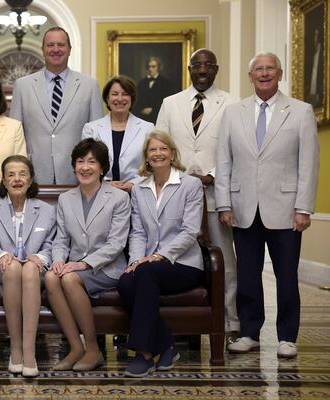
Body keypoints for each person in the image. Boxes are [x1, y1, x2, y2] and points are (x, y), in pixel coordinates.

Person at [216, 52, 320, 359]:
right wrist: (224, 203)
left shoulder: (300, 111)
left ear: (280, 73)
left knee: (286, 275)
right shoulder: (233, 113)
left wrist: (304, 208)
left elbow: (309, 164)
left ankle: (287, 336)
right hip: (243, 207)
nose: (264, 73)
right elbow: (224, 161)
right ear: (250, 77)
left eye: (269, 68)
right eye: (258, 69)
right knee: (247, 274)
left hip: (286, 209)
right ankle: (249, 333)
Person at [156, 48, 240, 343]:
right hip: (177, 194)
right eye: (197, 65)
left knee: (224, 261)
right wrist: (180, 175)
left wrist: (211, 175)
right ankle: (183, 325)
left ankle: (230, 323)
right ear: (189, 69)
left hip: (218, 194)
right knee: (178, 256)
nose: (202, 70)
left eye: (208, 65)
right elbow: (160, 145)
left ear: (216, 69)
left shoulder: (232, 104)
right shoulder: (171, 103)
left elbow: (235, 147)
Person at [117, 131, 204, 377]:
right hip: (147, 264)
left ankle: (143, 354)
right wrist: (134, 261)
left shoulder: (190, 185)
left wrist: (160, 256)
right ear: (146, 157)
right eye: (152, 150)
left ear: (173, 153)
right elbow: (137, 233)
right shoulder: (139, 189)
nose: (158, 153)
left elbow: (190, 231)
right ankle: (166, 344)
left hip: (183, 263)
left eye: (163, 148)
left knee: (145, 273)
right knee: (125, 282)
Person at [46, 138, 130, 371]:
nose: (85, 167)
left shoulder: (119, 198)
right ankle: (76, 348)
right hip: (74, 266)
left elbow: (116, 244)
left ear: (102, 168)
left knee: (70, 278)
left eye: (92, 162)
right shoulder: (66, 199)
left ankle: (93, 349)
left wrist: (82, 264)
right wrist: (59, 260)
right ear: (74, 166)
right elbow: (61, 239)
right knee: (52, 276)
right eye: (80, 161)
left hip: (108, 267)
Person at [0, 155, 56, 377]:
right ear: (4, 181)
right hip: (3, 268)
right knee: (14, 267)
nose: (17, 179)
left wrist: (42, 258)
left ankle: (29, 351)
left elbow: (53, 244)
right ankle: (16, 349)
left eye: (22, 174)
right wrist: (1, 255)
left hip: (35, 272)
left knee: (28, 268)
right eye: (11, 175)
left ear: (31, 179)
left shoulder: (45, 209)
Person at [10, 26, 103, 185]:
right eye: (50, 45)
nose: (56, 49)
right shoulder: (22, 86)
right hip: (33, 175)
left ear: (69, 49)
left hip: (78, 175)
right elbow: (14, 135)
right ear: (43, 49)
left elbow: (97, 136)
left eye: (61, 45)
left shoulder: (89, 85)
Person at [82, 75, 153, 192]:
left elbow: (152, 165)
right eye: (114, 94)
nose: (120, 99)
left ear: (132, 98)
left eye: (125, 94)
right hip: (100, 193)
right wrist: (105, 184)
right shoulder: (91, 129)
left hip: (138, 193)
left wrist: (133, 184)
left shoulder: (148, 128)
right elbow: (86, 165)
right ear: (107, 99)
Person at [133, 56, 173, 124]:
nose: (150, 69)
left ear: (158, 68)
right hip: (143, 119)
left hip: (159, 119)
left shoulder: (166, 83)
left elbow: (168, 102)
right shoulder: (141, 83)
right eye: (149, 67)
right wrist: (141, 110)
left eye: (153, 66)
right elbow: (136, 101)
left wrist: (153, 110)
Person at [306, 28, 323, 108]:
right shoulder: (313, 53)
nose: (314, 38)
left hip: (320, 93)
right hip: (312, 94)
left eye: (316, 35)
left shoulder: (323, 53)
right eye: (314, 35)